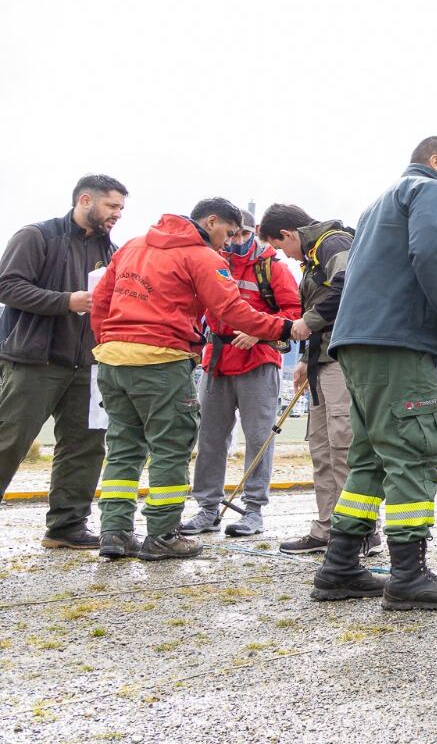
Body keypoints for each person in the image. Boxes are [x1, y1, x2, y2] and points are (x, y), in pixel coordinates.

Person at [313, 136, 437, 610]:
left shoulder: (377, 205)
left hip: (357, 343)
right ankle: (409, 575)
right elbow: (429, 252)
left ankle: (340, 565)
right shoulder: (430, 191)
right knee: (413, 450)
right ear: (435, 162)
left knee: (370, 457)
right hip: (397, 343)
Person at [90, 198, 293, 561]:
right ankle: (163, 535)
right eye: (228, 233)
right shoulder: (202, 257)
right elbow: (230, 310)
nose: (228, 243)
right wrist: (284, 328)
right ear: (211, 222)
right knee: (170, 448)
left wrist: (108, 343)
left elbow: (101, 302)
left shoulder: (133, 246)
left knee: (123, 447)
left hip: (113, 361)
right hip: (161, 362)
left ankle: (115, 532)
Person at [0, 174, 128, 550]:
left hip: (89, 366)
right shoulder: (37, 236)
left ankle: (66, 527)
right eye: (112, 206)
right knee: (8, 440)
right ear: (85, 200)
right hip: (34, 361)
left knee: (85, 446)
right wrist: (65, 301)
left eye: (121, 208)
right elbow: (6, 285)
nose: (117, 214)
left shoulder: (114, 252)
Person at [258, 204, 379, 555]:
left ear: (288, 234)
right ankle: (329, 527)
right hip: (320, 360)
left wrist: (308, 323)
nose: (284, 254)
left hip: (344, 359)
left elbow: (347, 288)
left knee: (345, 447)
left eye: (281, 247)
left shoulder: (333, 243)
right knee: (322, 448)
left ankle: (362, 530)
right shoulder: (311, 258)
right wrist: (304, 359)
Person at [179, 210, 301, 538]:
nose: (235, 241)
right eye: (231, 234)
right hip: (216, 360)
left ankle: (253, 510)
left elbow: (294, 313)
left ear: (254, 233)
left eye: (242, 234)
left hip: (259, 361)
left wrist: (259, 333)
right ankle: (207, 508)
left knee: (259, 438)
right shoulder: (209, 262)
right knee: (210, 438)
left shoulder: (272, 267)